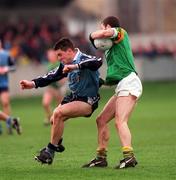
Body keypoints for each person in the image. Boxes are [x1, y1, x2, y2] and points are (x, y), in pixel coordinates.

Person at [20, 37, 102, 165]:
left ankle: (49, 152)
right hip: (73, 97)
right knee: (54, 119)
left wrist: (75, 66)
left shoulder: (84, 58)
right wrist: (32, 83)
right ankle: (57, 144)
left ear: (69, 51)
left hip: (88, 100)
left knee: (58, 113)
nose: (58, 58)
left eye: (60, 55)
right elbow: (52, 76)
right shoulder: (65, 64)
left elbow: (97, 62)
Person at [82, 16, 143, 169]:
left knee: (120, 121)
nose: (101, 30)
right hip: (122, 84)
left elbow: (104, 34)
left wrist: (91, 35)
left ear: (108, 26)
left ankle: (129, 157)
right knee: (101, 120)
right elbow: (116, 75)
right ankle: (101, 158)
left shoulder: (120, 32)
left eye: (101, 27)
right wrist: (102, 82)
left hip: (129, 82)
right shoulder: (110, 50)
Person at [42, 49, 67, 126]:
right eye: (48, 55)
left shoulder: (60, 64)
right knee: (45, 103)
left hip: (58, 89)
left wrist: (62, 82)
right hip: (50, 88)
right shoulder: (48, 65)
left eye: (51, 55)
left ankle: (59, 120)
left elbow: (65, 75)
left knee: (59, 107)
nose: (49, 57)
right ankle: (49, 117)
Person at [0, 39, 16, 134]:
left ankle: (8, 123)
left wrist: (6, 69)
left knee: (5, 102)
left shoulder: (6, 54)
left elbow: (14, 67)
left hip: (3, 84)